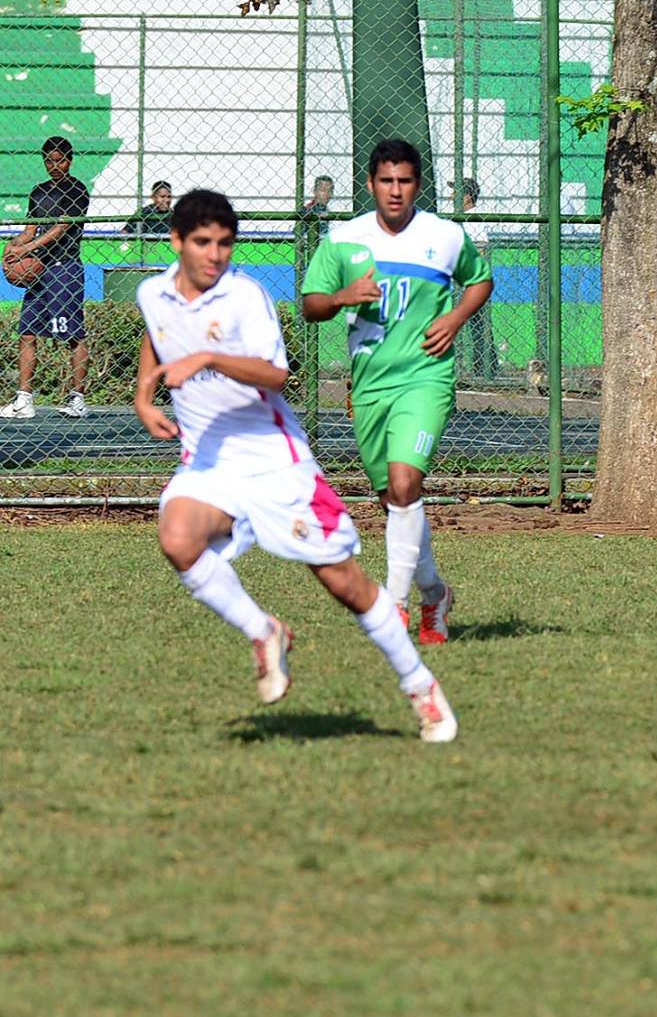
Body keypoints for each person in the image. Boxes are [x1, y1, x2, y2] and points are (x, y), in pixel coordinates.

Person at [134, 189, 455, 742]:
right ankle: (264, 631)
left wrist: (208, 358)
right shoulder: (152, 292)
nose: (215, 255)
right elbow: (157, 332)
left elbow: (276, 375)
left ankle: (419, 685)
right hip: (207, 462)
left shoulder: (245, 296)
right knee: (178, 537)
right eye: (203, 243)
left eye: (225, 243)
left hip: (275, 463)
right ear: (176, 241)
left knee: (344, 584)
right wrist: (145, 396)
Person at [300, 139, 493, 646]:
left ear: (417, 185)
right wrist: (343, 297)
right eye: (386, 181)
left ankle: (395, 603)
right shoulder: (344, 239)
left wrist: (455, 318)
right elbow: (311, 305)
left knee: (406, 485)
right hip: (369, 386)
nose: (395, 190)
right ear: (370, 184)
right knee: (393, 501)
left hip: (426, 377)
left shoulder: (445, 236)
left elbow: (480, 281)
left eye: (404, 181)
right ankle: (435, 595)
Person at [1, 136, 92, 420]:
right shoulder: (38, 191)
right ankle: (24, 399)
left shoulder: (77, 189)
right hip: (39, 271)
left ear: (69, 161)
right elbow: (31, 230)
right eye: (49, 161)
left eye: (60, 160)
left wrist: (27, 249)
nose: (54, 166)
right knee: (27, 333)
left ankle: (77, 399)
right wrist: (13, 246)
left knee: (73, 335)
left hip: (65, 269)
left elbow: (60, 229)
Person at [457, 178, 497, 381]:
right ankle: (483, 366)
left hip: (471, 279)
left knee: (478, 323)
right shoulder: (460, 218)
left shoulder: (474, 219)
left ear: (467, 196)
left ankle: (486, 367)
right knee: (475, 324)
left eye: (456, 192)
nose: (451, 196)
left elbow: (481, 250)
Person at [294, 174, 334, 266]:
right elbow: (299, 233)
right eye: (323, 190)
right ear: (315, 191)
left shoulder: (328, 211)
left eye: (330, 191)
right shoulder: (308, 211)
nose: (327, 194)